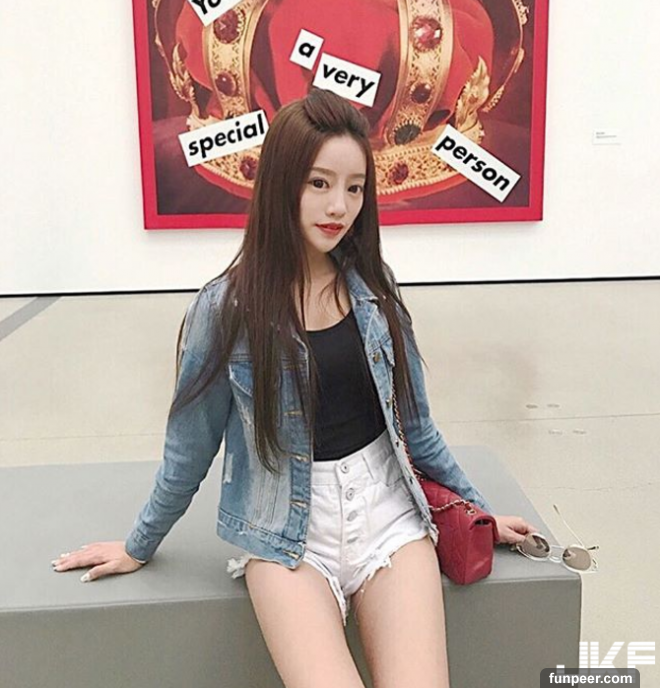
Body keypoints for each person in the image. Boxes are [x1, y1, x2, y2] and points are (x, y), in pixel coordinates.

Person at [52, 87, 535, 687]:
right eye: (319, 183)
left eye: (355, 188)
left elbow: (416, 428)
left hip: (388, 516)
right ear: (282, 182)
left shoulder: (373, 289)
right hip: (285, 538)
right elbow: (189, 449)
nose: (339, 206)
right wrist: (139, 543)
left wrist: (478, 512)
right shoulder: (226, 309)